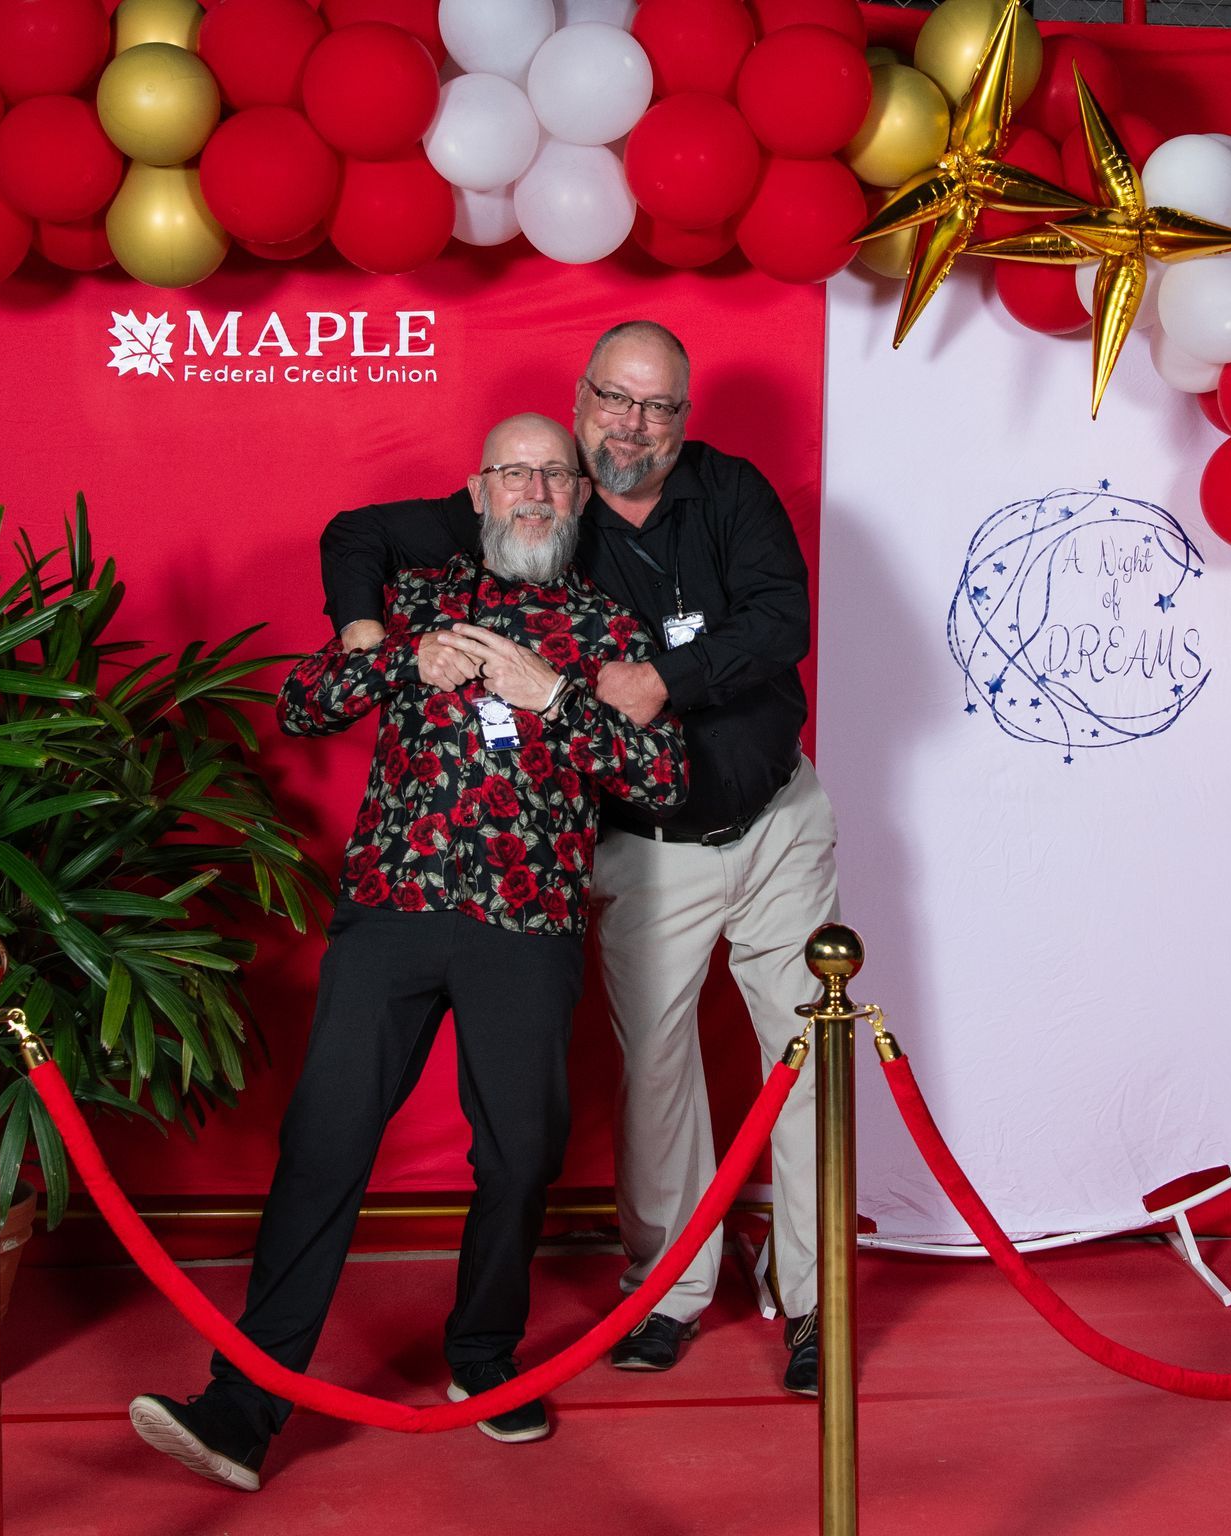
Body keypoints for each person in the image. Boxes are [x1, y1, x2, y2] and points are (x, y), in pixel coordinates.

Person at [130, 413, 688, 1492]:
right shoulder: (419, 598)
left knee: (520, 1158)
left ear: (580, 498)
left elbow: (662, 779)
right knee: (324, 1143)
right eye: (514, 473)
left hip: (527, 929)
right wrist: (395, 661)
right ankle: (243, 1407)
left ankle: (484, 1356)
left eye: (554, 475)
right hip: (392, 911)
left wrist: (554, 697)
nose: (534, 491)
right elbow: (300, 705)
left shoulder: (610, 628)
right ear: (478, 493)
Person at [319, 321, 839, 1395]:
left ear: (683, 418)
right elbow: (356, 533)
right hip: (648, 851)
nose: (633, 427)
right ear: (581, 398)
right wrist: (366, 639)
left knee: (808, 1059)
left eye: (658, 407)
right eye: (615, 400)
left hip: (779, 820)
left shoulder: (731, 492)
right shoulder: (542, 500)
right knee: (656, 1075)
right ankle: (669, 1293)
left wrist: (664, 680)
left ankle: (814, 1299)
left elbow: (783, 621)